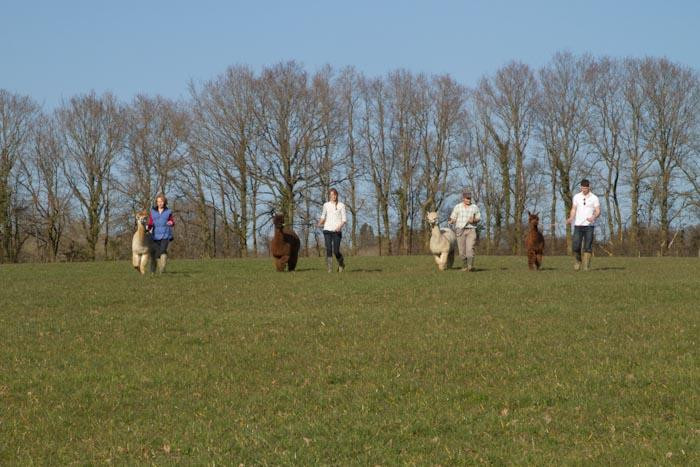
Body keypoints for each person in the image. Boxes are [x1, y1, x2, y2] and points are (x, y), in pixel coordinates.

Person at [567, 179, 601, 271]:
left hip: (589, 225)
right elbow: (573, 209)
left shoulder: (594, 198)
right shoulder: (576, 197)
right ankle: (578, 261)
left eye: (586, 188)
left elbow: (598, 210)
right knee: (575, 245)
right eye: (583, 188)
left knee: (588, 246)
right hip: (578, 225)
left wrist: (593, 216)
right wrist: (571, 218)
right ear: (580, 187)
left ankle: (586, 266)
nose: (584, 190)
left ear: (589, 187)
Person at [448, 190, 481, 271]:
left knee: (470, 249)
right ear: (463, 198)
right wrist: (451, 221)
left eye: (469, 198)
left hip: (471, 230)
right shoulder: (457, 207)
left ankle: (470, 266)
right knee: (462, 251)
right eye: (467, 198)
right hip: (460, 230)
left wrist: (474, 220)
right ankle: (464, 266)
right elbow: (453, 217)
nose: (468, 200)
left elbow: (479, 218)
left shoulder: (475, 207)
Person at [318, 188, 347, 272]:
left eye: (334, 195)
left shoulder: (341, 205)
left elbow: (344, 219)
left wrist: (339, 227)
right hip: (327, 230)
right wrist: (319, 223)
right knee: (328, 249)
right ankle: (330, 269)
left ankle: (341, 263)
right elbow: (323, 216)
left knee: (336, 251)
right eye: (331, 195)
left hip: (337, 231)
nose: (333, 196)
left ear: (336, 195)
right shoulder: (326, 205)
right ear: (329, 196)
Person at [148, 193, 175, 273]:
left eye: (161, 201)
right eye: (158, 202)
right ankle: (155, 270)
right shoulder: (153, 212)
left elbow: (172, 221)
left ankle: (162, 268)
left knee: (163, 250)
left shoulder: (168, 211)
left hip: (165, 234)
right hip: (155, 236)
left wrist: (171, 222)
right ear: (156, 202)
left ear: (164, 202)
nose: (160, 203)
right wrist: (148, 228)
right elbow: (150, 222)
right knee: (156, 253)